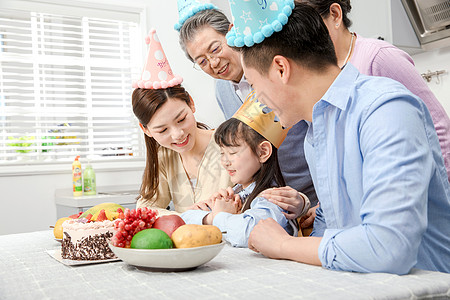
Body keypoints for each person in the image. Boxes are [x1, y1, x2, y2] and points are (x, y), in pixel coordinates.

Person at [229, 2, 450, 274]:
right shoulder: (315, 133)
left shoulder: (384, 109)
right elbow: (332, 227)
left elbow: (390, 247)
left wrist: (282, 245)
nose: (258, 101)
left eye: (253, 85)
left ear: (281, 69)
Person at [177, 5, 317, 227]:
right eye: (201, 61)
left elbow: (323, 131)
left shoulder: (277, 69)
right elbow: (244, 148)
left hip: (312, 198)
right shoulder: (221, 90)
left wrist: (319, 203)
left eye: (215, 49)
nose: (213, 63)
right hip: (268, 201)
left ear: (232, 32)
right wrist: (237, 193)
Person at [299, 0, 450, 182]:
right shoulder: (317, 74)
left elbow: (436, 125)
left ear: (335, 14)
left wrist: (440, 191)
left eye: (307, 26)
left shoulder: (378, 57)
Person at [182, 93, 305, 247]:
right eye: (222, 153)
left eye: (232, 153)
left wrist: (220, 215)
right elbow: (185, 218)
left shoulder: (273, 198)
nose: (225, 162)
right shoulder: (235, 195)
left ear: (263, 152)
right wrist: (212, 217)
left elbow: (248, 233)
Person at [131, 29, 232, 215]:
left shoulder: (231, 144)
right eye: (162, 130)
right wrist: (187, 218)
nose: (178, 134)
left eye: (181, 119)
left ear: (191, 104)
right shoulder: (164, 157)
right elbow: (146, 208)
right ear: (146, 130)